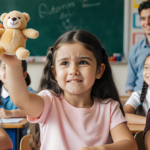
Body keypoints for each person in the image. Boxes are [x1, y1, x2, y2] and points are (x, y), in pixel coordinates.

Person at [0, 30, 137, 150]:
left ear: (99, 71)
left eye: (83, 62)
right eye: (64, 63)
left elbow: (129, 145)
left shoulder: (109, 108)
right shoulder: (49, 102)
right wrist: (13, 65)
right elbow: (22, 101)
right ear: (54, 72)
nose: (73, 70)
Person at [125, 0, 150, 95]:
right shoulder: (135, 49)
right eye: (143, 18)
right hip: (139, 101)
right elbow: (130, 83)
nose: (147, 22)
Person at [124, 54, 150, 125]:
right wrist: (148, 121)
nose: (149, 71)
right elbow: (122, 116)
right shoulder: (137, 95)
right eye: (146, 67)